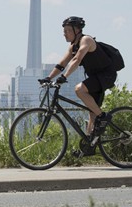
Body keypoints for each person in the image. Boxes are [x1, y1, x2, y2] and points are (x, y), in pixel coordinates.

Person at [40, 16, 117, 145]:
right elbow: (62, 64)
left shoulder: (86, 40)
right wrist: (48, 78)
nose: (64, 34)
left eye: (67, 31)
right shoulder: (72, 47)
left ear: (77, 30)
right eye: (64, 31)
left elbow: (77, 60)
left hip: (106, 75)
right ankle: (88, 146)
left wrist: (64, 77)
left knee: (79, 89)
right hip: (94, 78)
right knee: (92, 113)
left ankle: (104, 117)